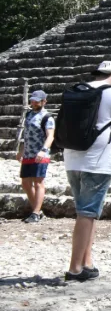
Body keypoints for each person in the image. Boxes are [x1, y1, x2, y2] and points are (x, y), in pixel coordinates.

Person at [62, 61, 111, 282]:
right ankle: (75, 268)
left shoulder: (79, 90)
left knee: (88, 212)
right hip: (97, 160)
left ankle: (87, 262)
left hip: (72, 157)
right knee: (87, 213)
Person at [17, 89, 56, 223]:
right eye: (32, 100)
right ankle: (37, 210)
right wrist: (22, 150)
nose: (33, 103)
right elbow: (26, 135)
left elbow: (50, 136)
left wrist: (43, 150)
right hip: (28, 153)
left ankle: (35, 212)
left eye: (37, 101)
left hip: (41, 154)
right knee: (25, 182)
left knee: (38, 182)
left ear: (44, 101)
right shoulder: (28, 115)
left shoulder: (47, 117)